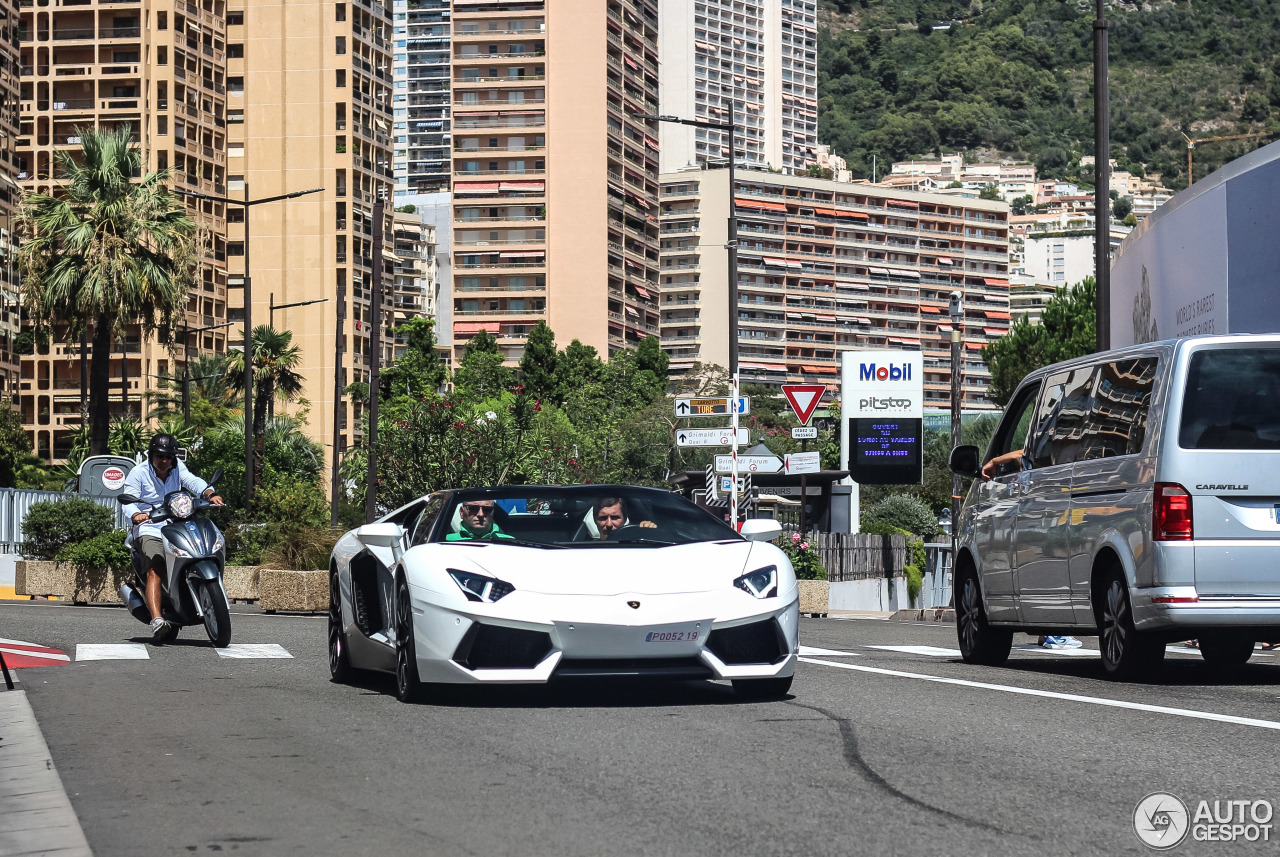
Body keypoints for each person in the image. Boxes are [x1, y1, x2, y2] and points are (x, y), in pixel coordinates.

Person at [121, 434, 224, 641]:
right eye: (159, 456)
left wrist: (209, 493)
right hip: (150, 527)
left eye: (168, 456)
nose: (164, 461)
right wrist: (135, 514)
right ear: (151, 455)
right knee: (155, 568)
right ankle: (158, 620)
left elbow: (192, 481)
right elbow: (127, 500)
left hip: (176, 523)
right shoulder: (138, 473)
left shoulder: (178, 467)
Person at [445, 499, 514, 541]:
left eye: (487, 509)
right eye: (473, 509)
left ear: (493, 513)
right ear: (461, 512)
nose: (480, 514)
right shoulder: (445, 541)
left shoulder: (510, 542)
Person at [591, 497, 656, 540]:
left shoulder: (636, 547)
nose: (609, 524)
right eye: (603, 518)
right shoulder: (586, 550)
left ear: (625, 519)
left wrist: (650, 534)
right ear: (595, 520)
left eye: (615, 517)